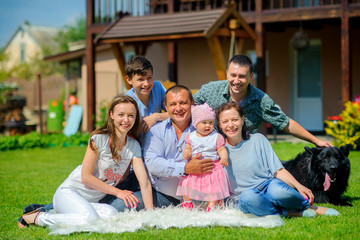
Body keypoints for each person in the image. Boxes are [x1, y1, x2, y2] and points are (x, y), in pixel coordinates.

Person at [18, 95, 153, 228]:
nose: (126, 120)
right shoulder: (99, 138)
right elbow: (86, 178)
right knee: (90, 219)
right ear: (111, 115)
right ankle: (39, 218)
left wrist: (151, 215)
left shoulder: (133, 145)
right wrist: (118, 192)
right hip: (69, 193)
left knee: (111, 214)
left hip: (91, 202)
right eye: (121, 115)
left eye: (131, 115)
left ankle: (59, 213)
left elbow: (144, 182)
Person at [215, 102, 340, 217]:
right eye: (225, 122)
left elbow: (278, 170)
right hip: (243, 196)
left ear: (242, 120)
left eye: (235, 120)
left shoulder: (258, 139)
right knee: (249, 198)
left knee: (279, 192)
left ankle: (311, 207)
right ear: (220, 125)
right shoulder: (216, 151)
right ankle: (291, 213)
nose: (230, 125)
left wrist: (299, 186)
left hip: (268, 186)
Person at [108, 85, 215, 211]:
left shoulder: (204, 129)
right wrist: (185, 168)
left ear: (192, 103)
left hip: (192, 195)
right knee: (114, 205)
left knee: (117, 207)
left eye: (183, 103)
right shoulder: (156, 130)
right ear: (166, 106)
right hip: (158, 192)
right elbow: (153, 163)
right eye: (173, 104)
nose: (178, 108)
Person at [193, 54, 332, 148]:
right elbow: (186, 107)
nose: (236, 81)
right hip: (207, 151)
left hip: (240, 153)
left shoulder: (260, 100)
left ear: (251, 76)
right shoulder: (210, 90)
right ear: (227, 73)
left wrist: (316, 140)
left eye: (242, 76)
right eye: (233, 75)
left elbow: (285, 123)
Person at [176, 103, 229, 211]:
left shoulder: (216, 137)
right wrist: (186, 153)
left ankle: (212, 205)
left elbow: (222, 149)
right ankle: (187, 202)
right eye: (204, 123)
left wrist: (224, 158)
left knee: (213, 189)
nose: (207, 126)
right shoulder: (191, 136)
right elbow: (188, 148)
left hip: (212, 167)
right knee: (186, 183)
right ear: (196, 124)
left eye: (210, 123)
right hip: (195, 167)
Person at [125, 55, 168, 133]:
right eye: (140, 79)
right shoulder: (128, 100)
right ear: (129, 80)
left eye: (149, 78)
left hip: (160, 136)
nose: (146, 83)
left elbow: (175, 113)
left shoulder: (158, 87)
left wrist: (157, 116)